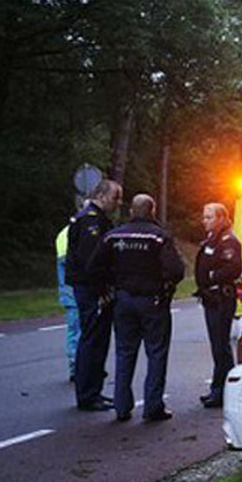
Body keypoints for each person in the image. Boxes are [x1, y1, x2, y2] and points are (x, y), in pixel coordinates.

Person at [87, 194, 184, 422]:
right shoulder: (159, 237)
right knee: (156, 353)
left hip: (122, 300)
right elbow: (176, 270)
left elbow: (93, 267)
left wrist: (107, 288)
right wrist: (165, 286)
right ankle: (152, 406)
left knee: (124, 352)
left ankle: (121, 406)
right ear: (152, 211)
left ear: (131, 211)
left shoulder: (113, 235)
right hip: (153, 300)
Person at [66, 179, 122, 411]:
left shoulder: (97, 219)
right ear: (101, 195)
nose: (118, 203)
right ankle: (88, 394)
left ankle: (94, 390)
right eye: (115, 197)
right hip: (91, 289)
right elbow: (92, 262)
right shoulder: (91, 222)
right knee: (92, 339)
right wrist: (104, 290)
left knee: (97, 339)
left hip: (92, 288)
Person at [194, 202, 242, 408]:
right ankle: (219, 387)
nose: (205, 221)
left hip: (221, 298)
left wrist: (210, 276)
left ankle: (223, 390)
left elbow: (233, 268)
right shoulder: (211, 240)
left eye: (210, 217)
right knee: (217, 346)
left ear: (222, 218)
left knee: (221, 346)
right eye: (204, 217)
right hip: (211, 298)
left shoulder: (228, 241)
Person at [55, 224, 80, 383]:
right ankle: (80, 366)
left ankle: (73, 364)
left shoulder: (63, 232)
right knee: (82, 329)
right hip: (78, 289)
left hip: (67, 292)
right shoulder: (80, 230)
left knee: (73, 328)